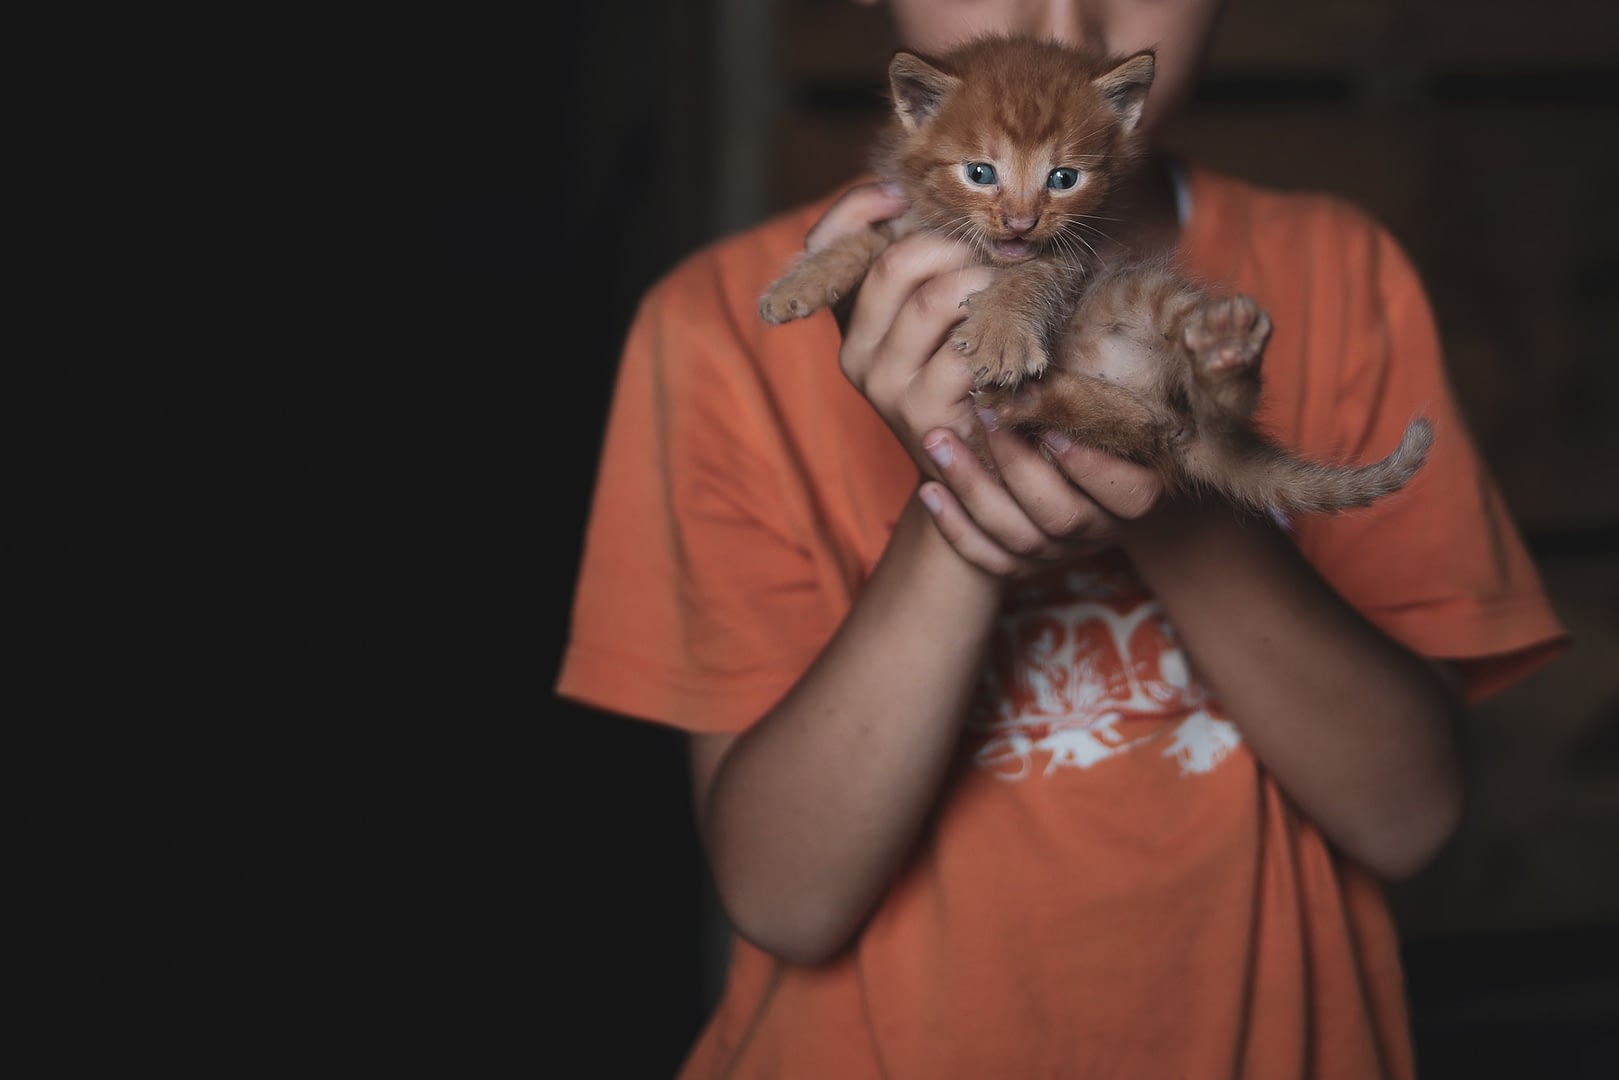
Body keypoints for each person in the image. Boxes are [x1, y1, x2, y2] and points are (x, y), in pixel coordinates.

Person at [555, 0, 1570, 1075]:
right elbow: (782, 897)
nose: (1064, 14)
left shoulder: (1340, 272)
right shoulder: (711, 333)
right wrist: (964, 493)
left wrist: (1166, 492)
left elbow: (1409, 817)